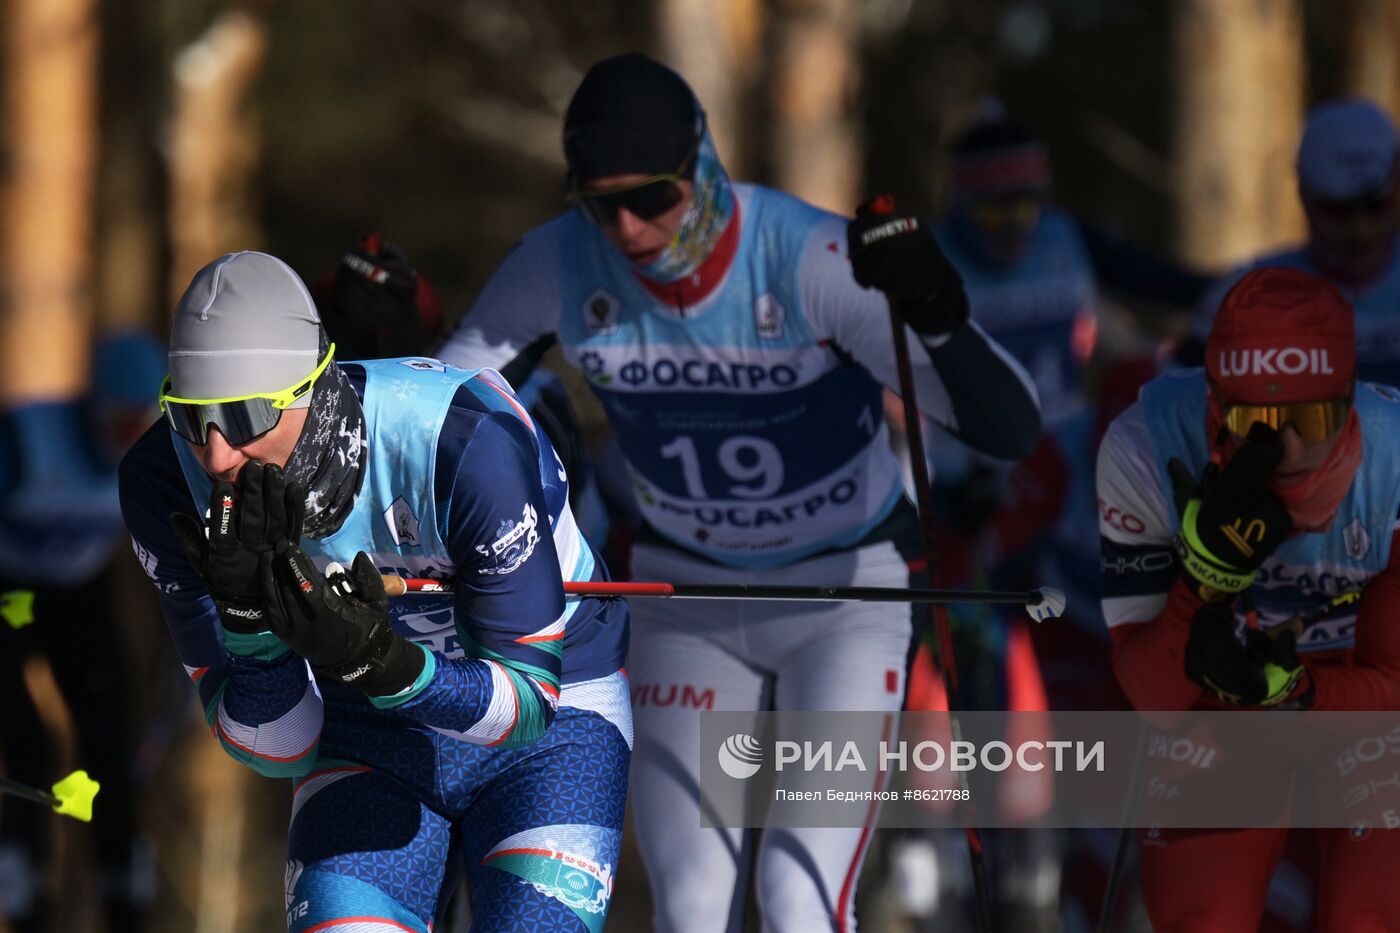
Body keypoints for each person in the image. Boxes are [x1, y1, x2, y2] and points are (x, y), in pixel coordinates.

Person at [439, 52, 1042, 933]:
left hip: (846, 592)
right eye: (602, 204)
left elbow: (1008, 427)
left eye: (651, 197)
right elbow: (446, 408)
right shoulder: (563, 262)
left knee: (799, 896)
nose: (630, 228)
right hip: (692, 600)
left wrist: (940, 313)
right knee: (688, 908)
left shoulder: (806, 257)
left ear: (703, 166)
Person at [118, 251, 630, 932]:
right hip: (366, 736)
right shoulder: (163, 481)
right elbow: (279, 747)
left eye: (242, 417)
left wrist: (382, 662)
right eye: (191, 415)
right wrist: (249, 619)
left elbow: (526, 706)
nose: (215, 455)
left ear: (309, 389)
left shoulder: (457, 438)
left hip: (555, 730)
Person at [1096, 266, 1400, 930]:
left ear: (1349, 400)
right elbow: (1154, 700)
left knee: (1369, 915)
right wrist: (1205, 579)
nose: (1289, 449)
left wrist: (1297, 690)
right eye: (1256, 419)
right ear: (1213, 403)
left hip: (1364, 701)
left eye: (1313, 417)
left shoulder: (1396, 462)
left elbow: (1394, 683)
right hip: (1223, 704)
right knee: (1201, 918)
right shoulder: (1146, 445)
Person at [0, 328, 165, 932]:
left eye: (140, 422)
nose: (127, 436)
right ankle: (22, 886)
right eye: (119, 420)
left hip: (79, 588)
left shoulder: (155, 456)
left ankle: (123, 888)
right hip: (10, 590)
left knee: (108, 736)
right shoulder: (26, 438)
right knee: (28, 738)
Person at [1178, 97, 1400, 386]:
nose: (1360, 230)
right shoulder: (1244, 296)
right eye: (1336, 210)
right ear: (1303, 194)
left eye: (1376, 207)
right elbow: (1176, 403)